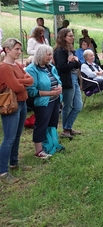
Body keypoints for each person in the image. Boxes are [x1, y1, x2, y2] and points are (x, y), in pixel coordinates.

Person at [0, 38, 34, 184]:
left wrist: (20, 81)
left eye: (20, 49)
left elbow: (31, 80)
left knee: (17, 135)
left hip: (22, 103)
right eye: (17, 49)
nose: (20, 52)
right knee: (9, 138)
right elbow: (17, 87)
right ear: (7, 50)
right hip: (11, 105)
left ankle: (14, 162)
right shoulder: (4, 67)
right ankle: (2, 171)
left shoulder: (18, 65)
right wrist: (22, 81)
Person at [25, 45, 63, 158]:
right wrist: (50, 93)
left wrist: (59, 87)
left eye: (51, 54)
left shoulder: (50, 67)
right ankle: (39, 150)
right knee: (41, 125)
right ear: (41, 55)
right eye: (49, 54)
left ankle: (51, 144)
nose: (51, 57)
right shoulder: (31, 69)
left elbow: (58, 79)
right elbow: (32, 91)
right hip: (43, 102)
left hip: (55, 100)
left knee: (53, 123)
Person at [53, 28, 83, 139]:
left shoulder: (71, 49)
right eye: (70, 36)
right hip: (67, 79)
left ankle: (68, 126)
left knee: (78, 106)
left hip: (74, 77)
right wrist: (71, 62)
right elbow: (61, 67)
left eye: (72, 35)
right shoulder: (60, 51)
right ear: (63, 37)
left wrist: (74, 62)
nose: (73, 37)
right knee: (68, 106)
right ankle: (66, 130)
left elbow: (78, 65)